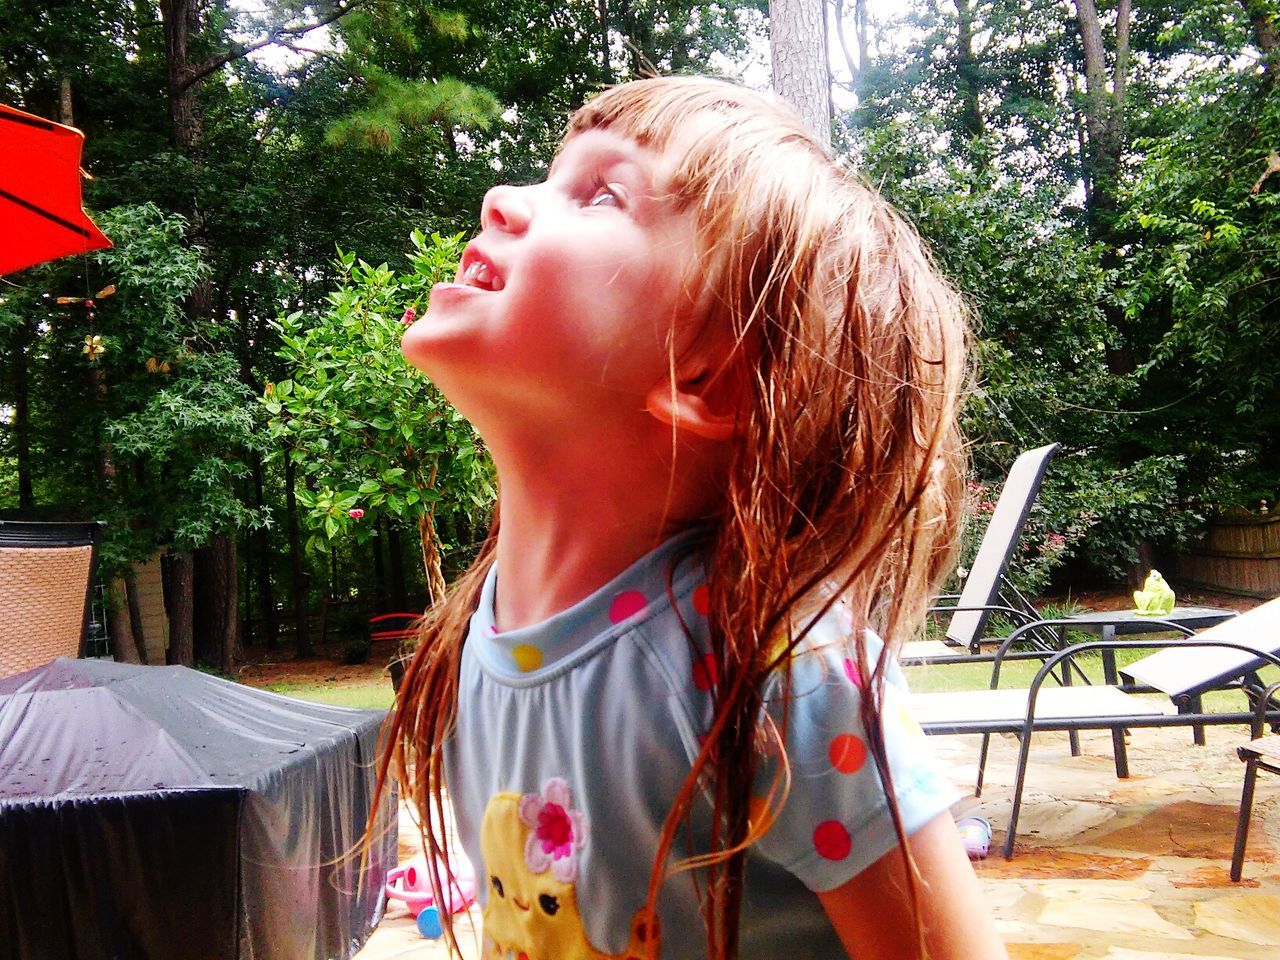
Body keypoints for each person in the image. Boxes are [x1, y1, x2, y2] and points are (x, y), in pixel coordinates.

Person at [378, 75, 1008, 960]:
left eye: (601, 192)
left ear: (704, 374)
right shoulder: (466, 647)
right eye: (556, 175)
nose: (503, 199)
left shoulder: (774, 671)